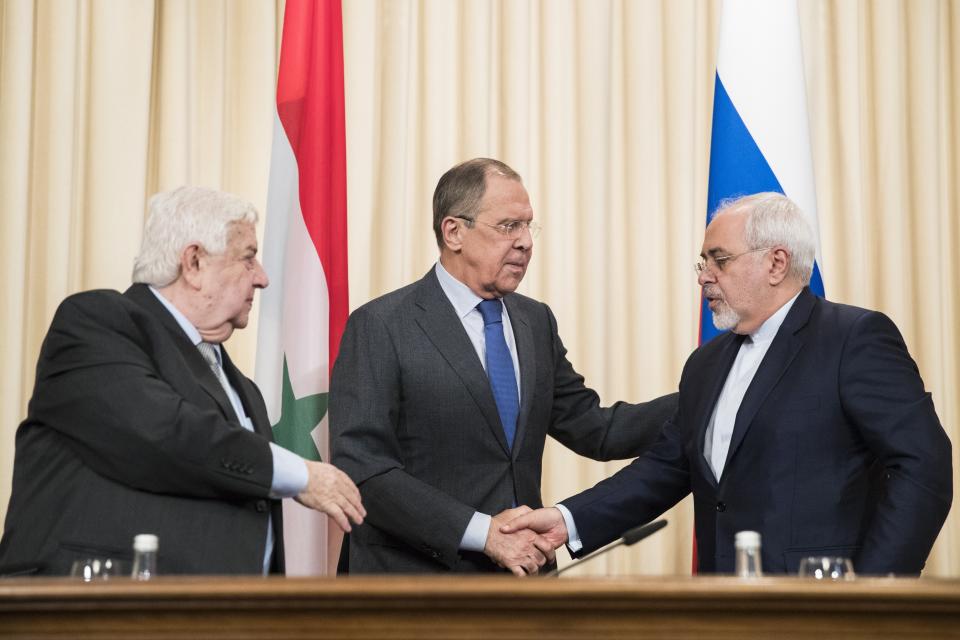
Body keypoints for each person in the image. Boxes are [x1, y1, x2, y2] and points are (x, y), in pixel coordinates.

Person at [503, 192, 953, 576]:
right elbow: (667, 467)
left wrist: (874, 591)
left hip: (824, 607)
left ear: (777, 263)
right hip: (723, 605)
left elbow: (923, 466)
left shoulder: (852, 338)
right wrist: (567, 521)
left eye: (719, 260)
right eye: (702, 262)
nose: (703, 276)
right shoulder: (707, 363)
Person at [329, 158, 678, 575]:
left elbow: (596, 430)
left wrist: (706, 395)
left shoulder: (535, 321)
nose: (526, 242)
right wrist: (483, 533)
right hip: (417, 587)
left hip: (521, 585)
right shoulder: (382, 325)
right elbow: (363, 468)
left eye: (529, 226)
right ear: (454, 232)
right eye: (509, 226)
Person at [0, 186, 364, 576]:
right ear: (193, 262)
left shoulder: (244, 389)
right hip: (98, 609)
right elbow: (162, 431)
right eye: (248, 258)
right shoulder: (95, 324)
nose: (262, 278)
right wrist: (301, 476)